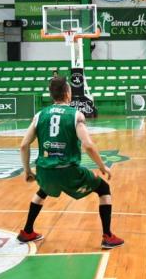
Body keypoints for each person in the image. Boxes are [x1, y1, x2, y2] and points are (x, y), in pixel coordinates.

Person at [17, 76, 124, 249]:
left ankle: (27, 231)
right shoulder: (76, 115)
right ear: (68, 93)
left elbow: (23, 145)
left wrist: (28, 171)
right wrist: (102, 166)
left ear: (51, 95)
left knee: (43, 189)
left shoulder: (39, 115)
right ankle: (108, 236)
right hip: (68, 171)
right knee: (103, 189)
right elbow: (88, 145)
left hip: (44, 170)